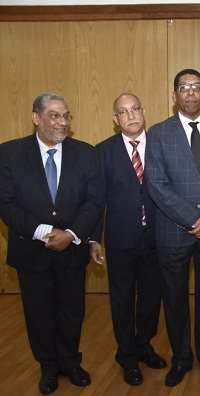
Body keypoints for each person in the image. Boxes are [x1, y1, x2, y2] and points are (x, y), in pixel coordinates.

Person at [0, 93, 104, 395]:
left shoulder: (86, 153)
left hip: (72, 249)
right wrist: (45, 231)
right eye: (55, 116)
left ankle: (71, 362)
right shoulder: (9, 153)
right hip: (31, 251)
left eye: (67, 116)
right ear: (36, 118)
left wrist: (71, 233)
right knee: (38, 312)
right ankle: (47, 368)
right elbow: (5, 203)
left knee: (73, 311)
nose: (62, 122)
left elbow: (94, 201)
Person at [146, 69, 200, 387]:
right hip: (173, 232)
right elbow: (156, 185)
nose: (190, 93)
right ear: (174, 96)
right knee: (174, 297)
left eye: (196, 87)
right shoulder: (158, 133)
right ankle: (181, 357)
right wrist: (194, 221)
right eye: (184, 87)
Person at [89, 93, 167, 386]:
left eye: (135, 109)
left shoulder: (161, 146)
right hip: (121, 239)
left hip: (158, 237)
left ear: (143, 112)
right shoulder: (102, 152)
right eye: (123, 112)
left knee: (150, 298)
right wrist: (94, 239)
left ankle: (144, 345)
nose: (131, 115)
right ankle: (127, 356)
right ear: (115, 119)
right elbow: (96, 201)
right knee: (121, 300)